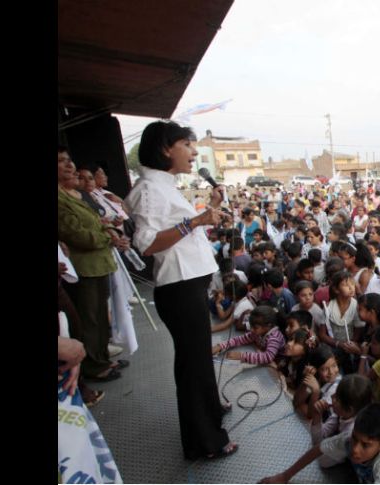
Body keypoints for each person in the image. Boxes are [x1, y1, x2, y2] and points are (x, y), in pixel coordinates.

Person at [123, 121, 237, 459]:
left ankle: (210, 412)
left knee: (199, 358)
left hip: (190, 284)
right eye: (187, 144)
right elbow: (148, 245)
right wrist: (197, 221)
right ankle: (204, 443)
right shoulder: (150, 190)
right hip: (179, 288)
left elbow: (178, 231)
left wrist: (206, 209)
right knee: (193, 366)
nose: (194, 151)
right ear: (165, 148)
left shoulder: (166, 186)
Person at [59, 147, 129, 383]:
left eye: (69, 160)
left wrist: (108, 230)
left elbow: (99, 223)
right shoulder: (60, 200)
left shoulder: (78, 195)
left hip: (100, 263)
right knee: (89, 318)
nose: (69, 166)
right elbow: (77, 234)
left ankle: (102, 357)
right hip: (84, 267)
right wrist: (108, 237)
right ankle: (93, 365)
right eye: (61, 162)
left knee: (100, 315)